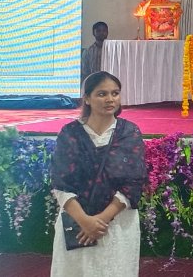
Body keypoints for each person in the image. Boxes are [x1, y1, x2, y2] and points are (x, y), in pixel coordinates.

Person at [50, 71, 146, 276]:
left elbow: (134, 183)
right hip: (77, 222)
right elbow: (60, 181)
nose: (110, 99)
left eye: (115, 93)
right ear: (87, 98)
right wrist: (85, 221)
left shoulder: (129, 133)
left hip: (117, 224)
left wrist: (100, 221)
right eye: (102, 94)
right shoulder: (70, 133)